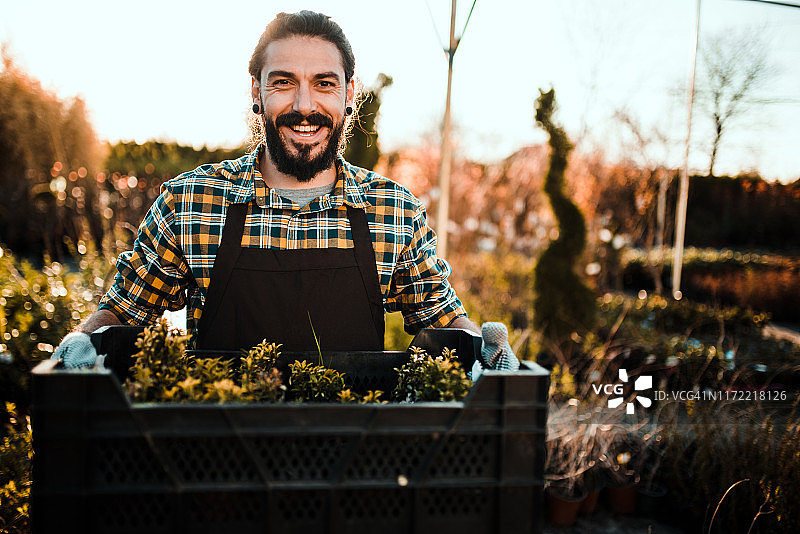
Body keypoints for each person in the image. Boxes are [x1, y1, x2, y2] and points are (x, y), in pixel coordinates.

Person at [53, 10, 518, 371]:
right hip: (214, 468)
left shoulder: (392, 210)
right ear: (255, 92)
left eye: (323, 84)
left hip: (355, 471)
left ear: (349, 94)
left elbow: (441, 320)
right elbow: (122, 315)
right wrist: (84, 342)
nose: (304, 105)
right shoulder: (190, 204)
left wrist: (483, 348)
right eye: (283, 83)